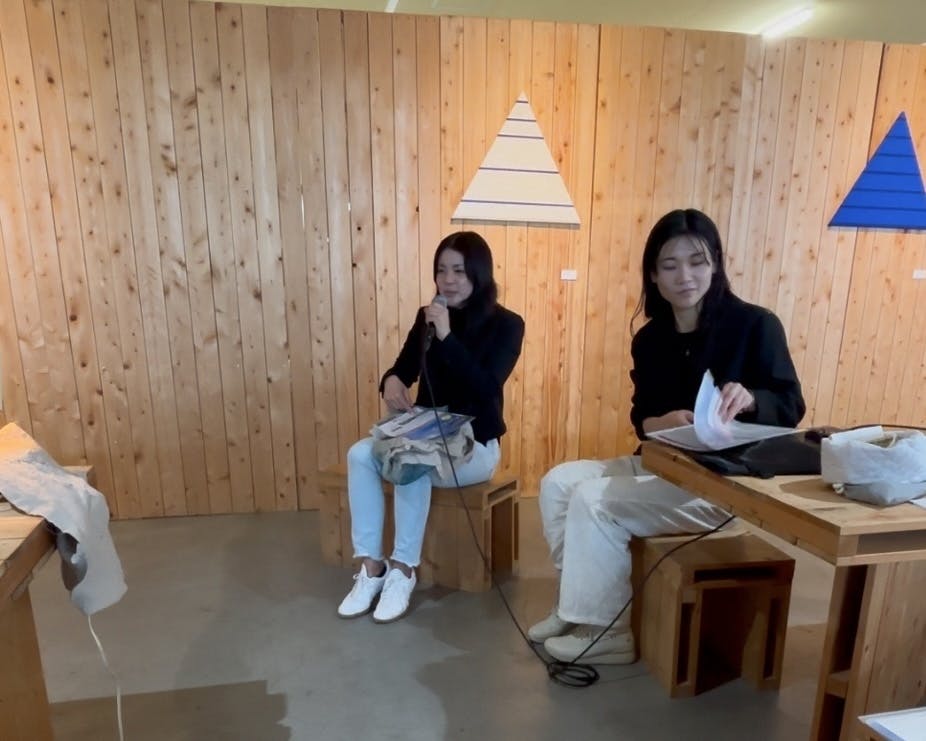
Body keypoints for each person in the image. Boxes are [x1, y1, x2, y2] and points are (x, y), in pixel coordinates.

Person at [529, 208, 805, 664]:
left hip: (720, 485)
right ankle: (574, 605)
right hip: (661, 466)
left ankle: (607, 632)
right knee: (558, 482)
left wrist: (752, 398)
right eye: (670, 265)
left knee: (594, 500)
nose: (685, 276)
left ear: (715, 264)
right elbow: (642, 418)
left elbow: (791, 405)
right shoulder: (650, 339)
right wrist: (660, 423)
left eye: (696, 262)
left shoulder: (756, 325)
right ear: (653, 275)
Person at [338, 231, 525, 623]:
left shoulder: (507, 325)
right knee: (359, 454)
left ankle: (404, 570)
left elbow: (486, 387)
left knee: (412, 462)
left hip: (475, 445)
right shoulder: (427, 317)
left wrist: (447, 336)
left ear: (479, 274)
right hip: (425, 430)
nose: (448, 280)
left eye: (459, 270)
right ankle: (372, 567)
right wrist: (391, 380)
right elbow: (403, 367)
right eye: (442, 270)